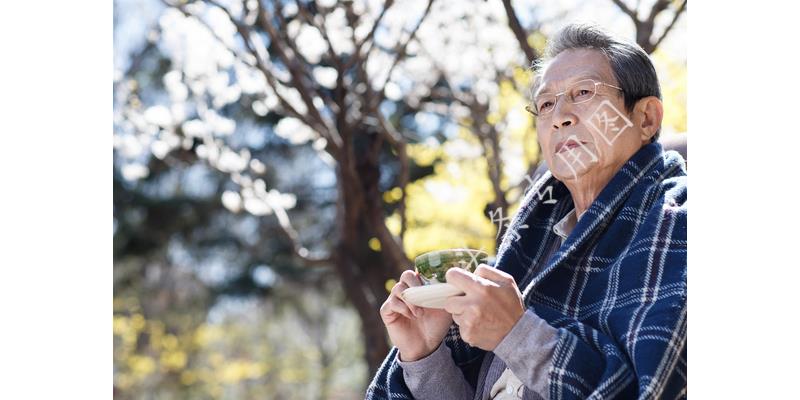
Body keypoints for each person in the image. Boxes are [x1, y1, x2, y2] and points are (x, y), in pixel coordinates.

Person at [366, 23, 687, 399]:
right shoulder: (535, 242)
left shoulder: (678, 222)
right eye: (546, 103)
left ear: (646, 118)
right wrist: (426, 357)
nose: (559, 116)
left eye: (583, 92)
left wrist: (518, 333)